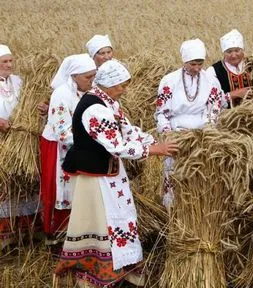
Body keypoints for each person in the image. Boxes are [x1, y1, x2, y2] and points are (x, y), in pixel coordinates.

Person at [54, 59, 178, 287]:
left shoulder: (108, 102)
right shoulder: (96, 109)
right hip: (95, 178)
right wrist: (154, 150)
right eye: (121, 85)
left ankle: (120, 270)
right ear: (108, 85)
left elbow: (127, 131)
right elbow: (117, 146)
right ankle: (96, 276)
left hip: (108, 173)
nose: (124, 89)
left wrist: (155, 140)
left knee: (117, 218)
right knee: (101, 221)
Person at [155, 38, 225, 207]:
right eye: (193, 64)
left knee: (201, 173)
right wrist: (168, 132)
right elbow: (161, 112)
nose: (197, 68)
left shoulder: (210, 81)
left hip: (201, 134)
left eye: (200, 64)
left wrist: (207, 130)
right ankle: (173, 209)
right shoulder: (169, 81)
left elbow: (213, 108)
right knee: (175, 173)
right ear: (185, 61)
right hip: (177, 133)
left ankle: (198, 208)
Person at [39, 54, 97, 245]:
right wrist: (94, 144)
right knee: (61, 188)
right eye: (88, 77)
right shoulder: (61, 94)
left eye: (93, 76)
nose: (92, 80)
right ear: (73, 76)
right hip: (59, 147)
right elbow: (62, 130)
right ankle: (57, 234)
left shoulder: (88, 92)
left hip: (81, 146)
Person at [0, 44, 40, 249]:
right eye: (4, 62)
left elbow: (30, 106)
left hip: (20, 140)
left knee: (24, 184)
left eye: (10, 61)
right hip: (2, 143)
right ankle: (5, 236)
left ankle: (26, 231)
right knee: (4, 185)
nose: (9, 65)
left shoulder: (19, 82)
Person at [206, 29, 253, 107]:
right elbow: (211, 101)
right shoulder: (213, 71)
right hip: (227, 117)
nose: (233, 55)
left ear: (242, 50)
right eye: (229, 52)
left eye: (237, 50)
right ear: (224, 53)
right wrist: (235, 94)